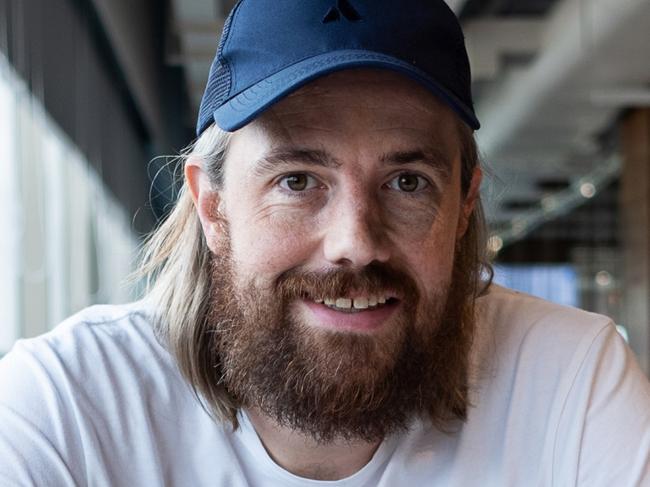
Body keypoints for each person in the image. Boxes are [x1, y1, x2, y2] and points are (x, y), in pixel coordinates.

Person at [1, 0, 649, 485]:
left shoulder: (569, 380)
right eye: (297, 179)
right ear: (213, 204)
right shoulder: (69, 407)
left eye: (406, 181)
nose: (355, 243)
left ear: (462, 207)